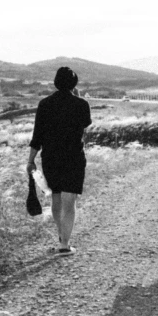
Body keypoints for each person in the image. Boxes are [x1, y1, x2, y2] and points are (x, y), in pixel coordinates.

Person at [27, 66, 92, 255]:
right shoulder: (81, 105)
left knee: (56, 197)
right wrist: (77, 98)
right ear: (74, 83)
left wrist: (30, 160)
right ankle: (65, 244)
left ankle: (61, 236)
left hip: (51, 157)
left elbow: (37, 136)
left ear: (56, 82)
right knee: (69, 201)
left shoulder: (44, 104)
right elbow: (85, 124)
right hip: (73, 157)